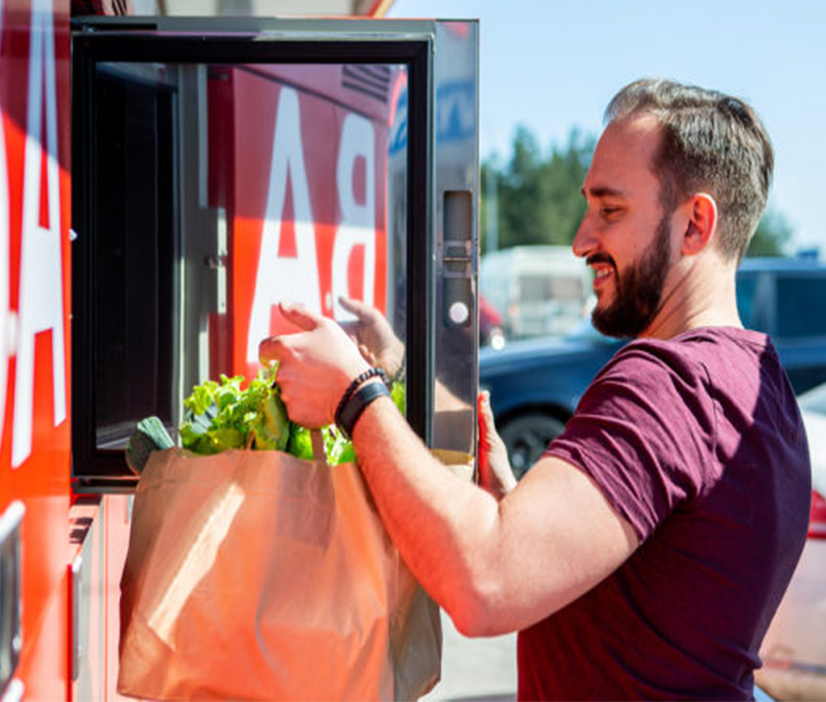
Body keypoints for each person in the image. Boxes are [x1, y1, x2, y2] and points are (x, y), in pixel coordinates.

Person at [259, 78, 811, 701]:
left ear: (695, 224)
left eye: (610, 210)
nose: (581, 240)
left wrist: (355, 396)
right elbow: (663, 602)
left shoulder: (667, 384)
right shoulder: (761, 383)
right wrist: (526, 505)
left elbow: (484, 584)